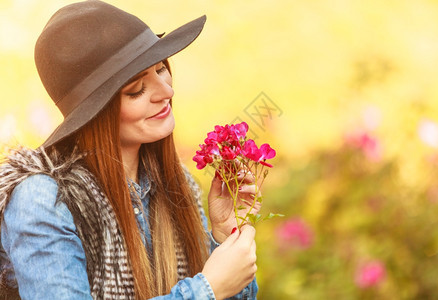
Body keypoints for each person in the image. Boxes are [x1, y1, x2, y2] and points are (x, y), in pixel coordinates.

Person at [0, 1, 260, 299]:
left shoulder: (178, 185)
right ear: (95, 112)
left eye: (161, 69)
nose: (167, 92)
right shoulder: (44, 200)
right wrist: (206, 290)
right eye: (137, 89)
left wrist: (223, 238)